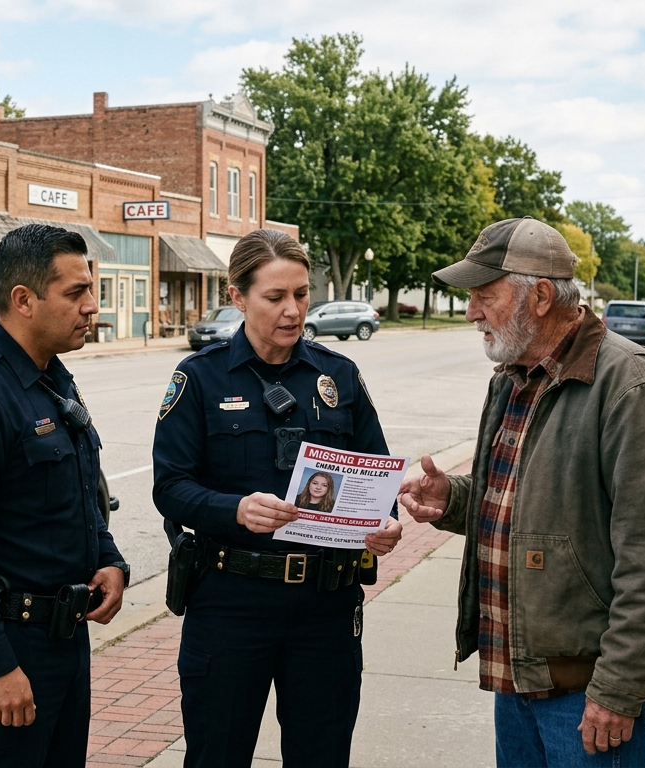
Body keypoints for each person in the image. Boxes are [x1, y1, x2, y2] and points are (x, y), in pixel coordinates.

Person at [399, 217, 645, 768]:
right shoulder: (511, 377)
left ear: (538, 297)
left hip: (588, 691)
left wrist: (619, 689)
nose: (470, 313)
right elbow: (534, 503)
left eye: (484, 296)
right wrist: (454, 500)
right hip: (517, 674)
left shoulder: (631, 386)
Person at [153, 228, 403, 768]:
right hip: (231, 602)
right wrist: (234, 509)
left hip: (324, 608)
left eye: (301, 294)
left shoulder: (339, 375)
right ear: (237, 297)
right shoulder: (199, 379)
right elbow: (170, 487)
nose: (292, 310)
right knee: (217, 754)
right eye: (275, 297)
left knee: (322, 756)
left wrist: (385, 522)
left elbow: (376, 475)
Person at [0, 224, 130, 767]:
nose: (92, 306)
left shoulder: (51, 378)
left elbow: (79, 488)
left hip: (64, 641)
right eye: (76, 292)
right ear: (24, 300)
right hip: (9, 648)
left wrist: (107, 558)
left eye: (91, 290)